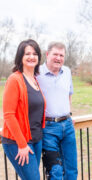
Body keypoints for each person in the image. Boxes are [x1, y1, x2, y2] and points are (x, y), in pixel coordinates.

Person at [1, 39, 46, 180]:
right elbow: (8, 115)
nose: (31, 57)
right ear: (20, 57)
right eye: (27, 53)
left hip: (36, 140)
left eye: (35, 53)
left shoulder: (35, 80)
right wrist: (21, 144)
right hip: (18, 142)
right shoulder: (15, 80)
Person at [37, 42, 78, 180]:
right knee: (55, 172)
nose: (58, 58)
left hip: (67, 125)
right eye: (55, 54)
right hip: (48, 129)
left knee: (71, 169)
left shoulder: (67, 71)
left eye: (61, 55)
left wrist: (68, 114)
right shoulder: (36, 73)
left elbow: (69, 95)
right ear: (47, 54)